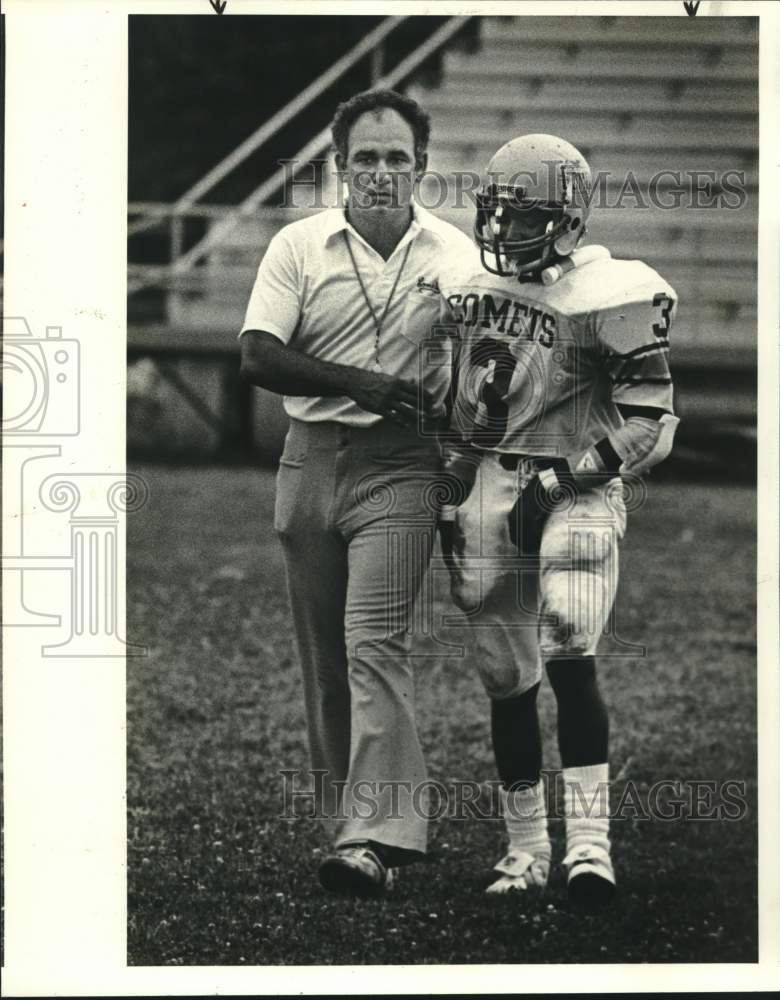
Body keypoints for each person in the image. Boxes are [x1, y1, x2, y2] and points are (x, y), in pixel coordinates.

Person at [239, 89, 476, 897]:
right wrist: (358, 382)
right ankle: (354, 828)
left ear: (421, 167)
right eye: (366, 158)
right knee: (326, 657)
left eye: (396, 158)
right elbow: (258, 357)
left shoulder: (456, 257)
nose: (381, 171)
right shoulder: (299, 245)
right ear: (342, 166)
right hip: (308, 461)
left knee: (376, 641)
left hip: (403, 466)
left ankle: (376, 832)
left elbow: (485, 368)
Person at [438, 134, 679, 902]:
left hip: (574, 483)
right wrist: (449, 481)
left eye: (522, 216)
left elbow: (647, 420)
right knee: (505, 675)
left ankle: (589, 847)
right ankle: (523, 850)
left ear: (567, 218)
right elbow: (474, 407)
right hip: (489, 482)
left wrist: (560, 481)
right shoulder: (468, 283)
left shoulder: (612, 291)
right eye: (496, 215)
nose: (502, 232)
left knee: (572, 643)